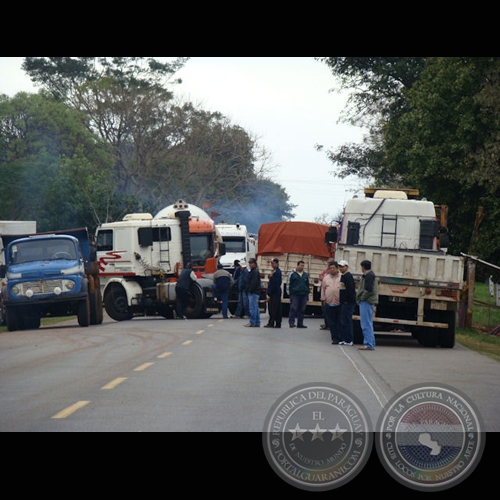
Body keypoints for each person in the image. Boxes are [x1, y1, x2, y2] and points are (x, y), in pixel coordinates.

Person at [356, 260, 378, 351]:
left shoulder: (368, 276)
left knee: (366, 324)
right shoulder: (371, 275)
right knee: (368, 323)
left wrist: (362, 298)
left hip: (366, 301)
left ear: (363, 267)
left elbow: (368, 290)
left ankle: (368, 344)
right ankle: (370, 343)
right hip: (369, 301)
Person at [320, 261, 342, 344]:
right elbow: (323, 289)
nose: (331, 270)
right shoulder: (326, 278)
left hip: (339, 303)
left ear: (337, 268)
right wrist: (323, 299)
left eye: (333, 268)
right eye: (330, 268)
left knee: (339, 321)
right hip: (329, 303)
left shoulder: (341, 277)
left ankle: (340, 337)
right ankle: (334, 338)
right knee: (331, 322)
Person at [338, 260, 356, 346]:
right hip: (343, 302)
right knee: (343, 321)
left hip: (348, 303)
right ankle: (344, 338)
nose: (341, 268)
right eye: (340, 266)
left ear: (347, 267)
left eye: (342, 266)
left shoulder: (348, 276)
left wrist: (347, 301)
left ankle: (349, 339)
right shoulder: (343, 276)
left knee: (347, 321)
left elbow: (350, 290)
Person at [287, 260, 310, 328]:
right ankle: (291, 322)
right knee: (293, 308)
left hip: (303, 294)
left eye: (303, 266)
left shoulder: (305, 275)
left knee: (302, 309)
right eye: (301, 265)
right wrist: (289, 293)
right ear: (297, 265)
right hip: (295, 294)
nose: (302, 267)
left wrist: (307, 292)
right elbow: (288, 284)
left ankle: (300, 323)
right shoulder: (292, 274)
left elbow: (307, 284)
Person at [265, 257, 282, 328]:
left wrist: (269, 293)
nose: (272, 265)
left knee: (273, 309)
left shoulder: (276, 272)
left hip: (274, 293)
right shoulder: (275, 271)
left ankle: (272, 322)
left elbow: (274, 284)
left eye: (273, 263)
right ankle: (277, 323)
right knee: (276, 308)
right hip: (276, 292)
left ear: (277, 264)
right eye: (271, 263)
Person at [244, 257, 261, 327]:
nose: (250, 264)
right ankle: (257, 322)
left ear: (255, 264)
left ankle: (252, 322)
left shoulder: (255, 272)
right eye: (249, 263)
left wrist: (249, 290)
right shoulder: (253, 271)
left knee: (252, 308)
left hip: (253, 292)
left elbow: (253, 283)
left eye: (251, 263)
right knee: (255, 308)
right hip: (255, 292)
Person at [319, 259, 335, 330]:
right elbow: (320, 277)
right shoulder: (325, 271)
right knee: (325, 310)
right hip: (324, 293)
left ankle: (330, 324)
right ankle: (326, 324)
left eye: (330, 263)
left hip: (331, 296)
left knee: (330, 311)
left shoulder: (333, 272)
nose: (328, 264)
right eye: (328, 263)